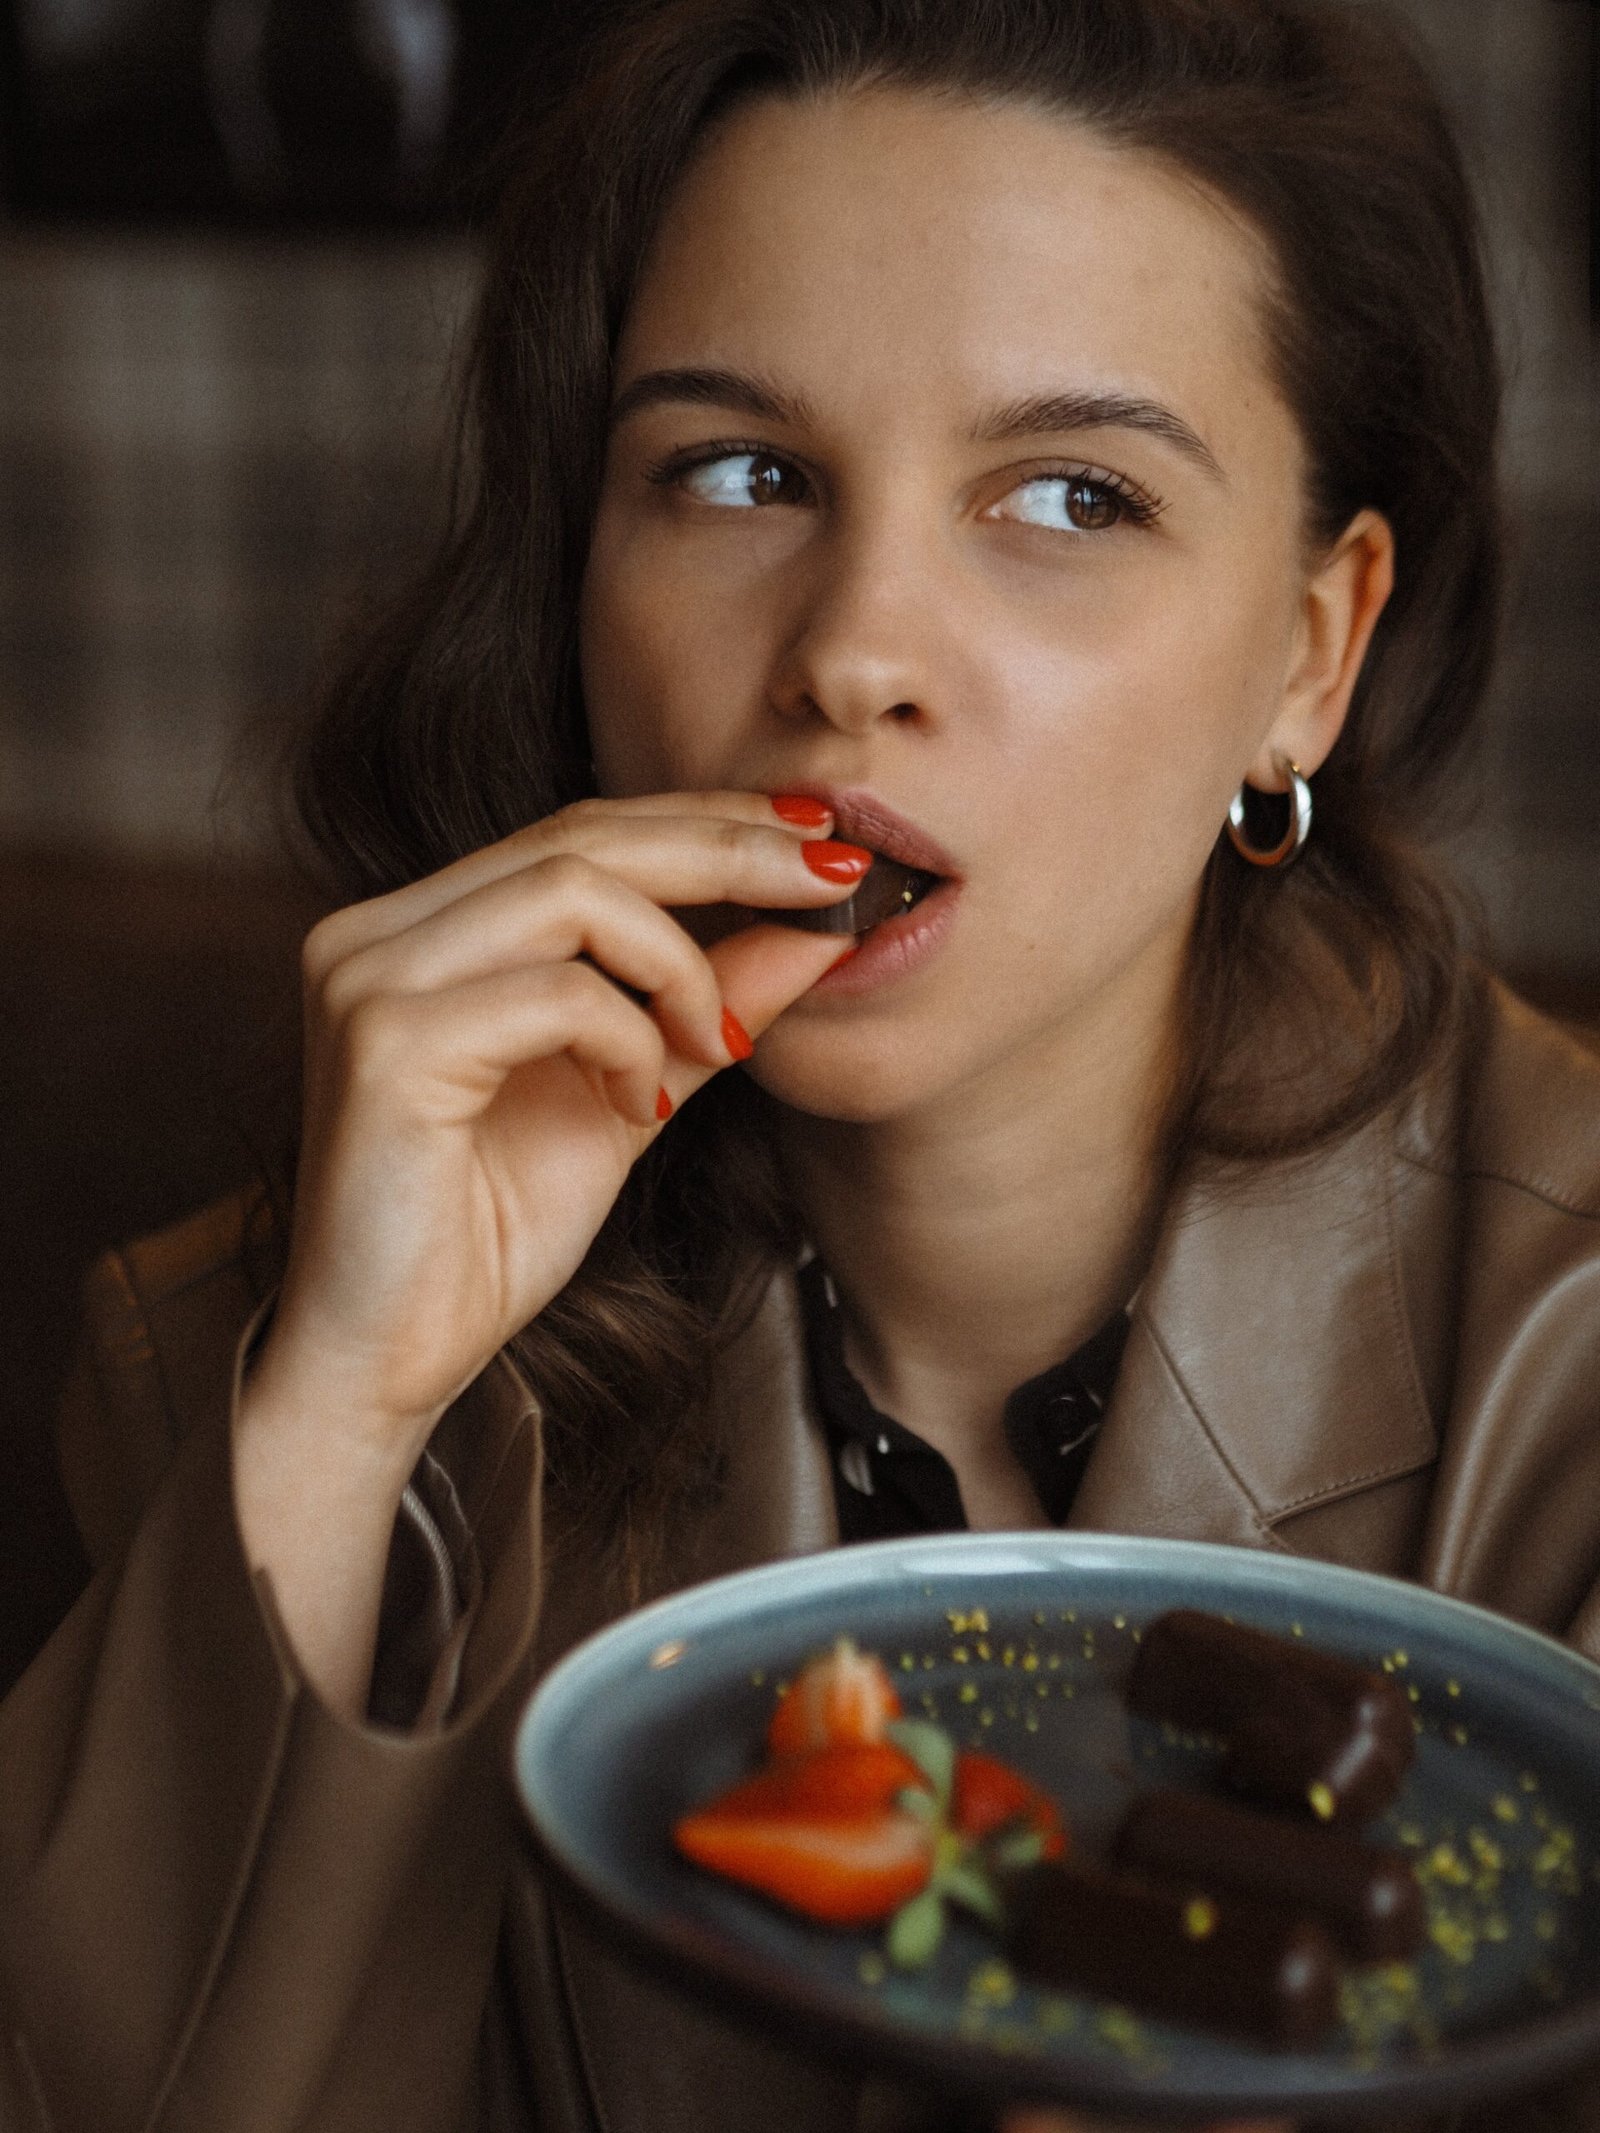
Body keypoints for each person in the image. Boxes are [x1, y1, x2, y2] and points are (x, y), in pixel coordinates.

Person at [3, 0, 1599, 2129]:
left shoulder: (1569, 1367)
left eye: (1063, 493)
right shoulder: (242, 1353)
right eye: (737, 472)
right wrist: (345, 1404)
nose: (851, 647)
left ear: (1307, 651)